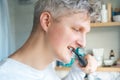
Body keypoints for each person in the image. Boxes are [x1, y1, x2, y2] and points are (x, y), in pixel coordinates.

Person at [0, 0, 98, 80]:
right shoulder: (5, 75)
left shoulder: (46, 67)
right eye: (76, 29)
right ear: (47, 21)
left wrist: (78, 71)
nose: (83, 43)